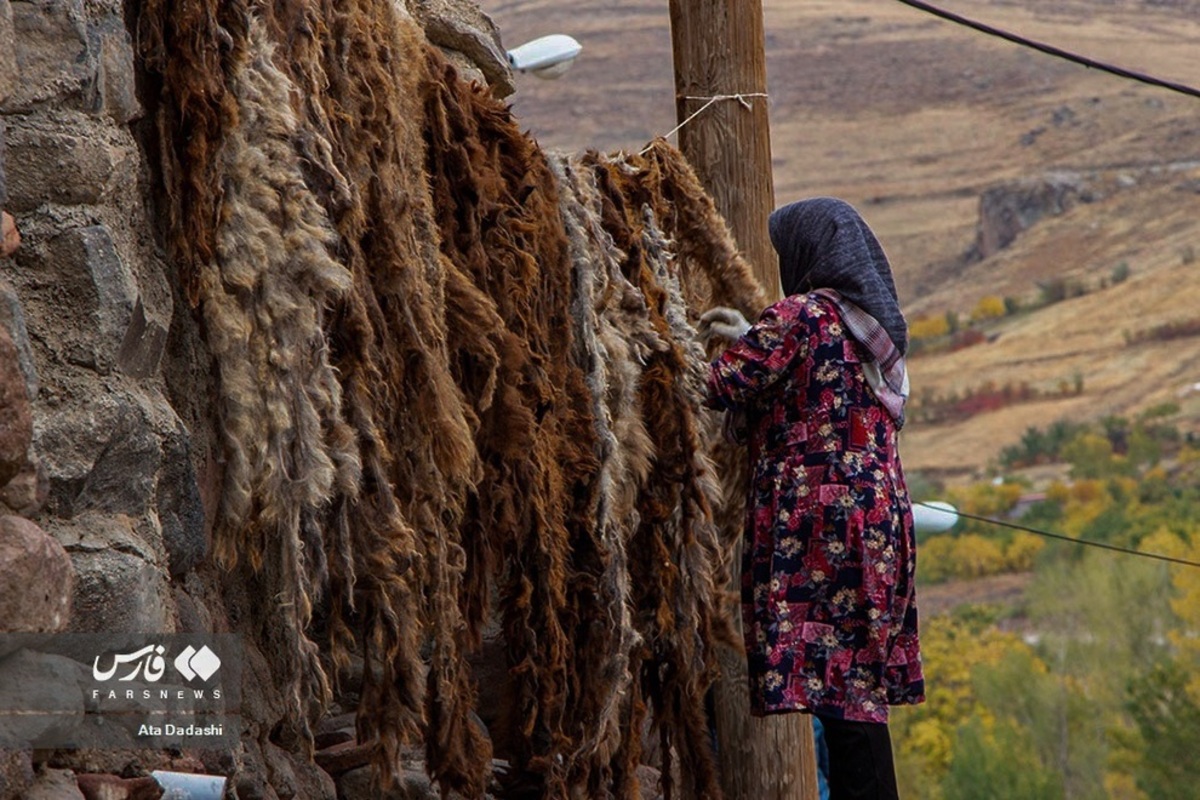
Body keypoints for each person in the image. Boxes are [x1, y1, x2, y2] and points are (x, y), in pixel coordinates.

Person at [699, 197, 924, 800]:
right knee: (856, 694)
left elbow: (719, 384)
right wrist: (757, 339)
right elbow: (815, 390)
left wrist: (703, 343)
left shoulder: (802, 316)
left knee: (843, 698)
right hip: (877, 528)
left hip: (820, 527)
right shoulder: (867, 332)